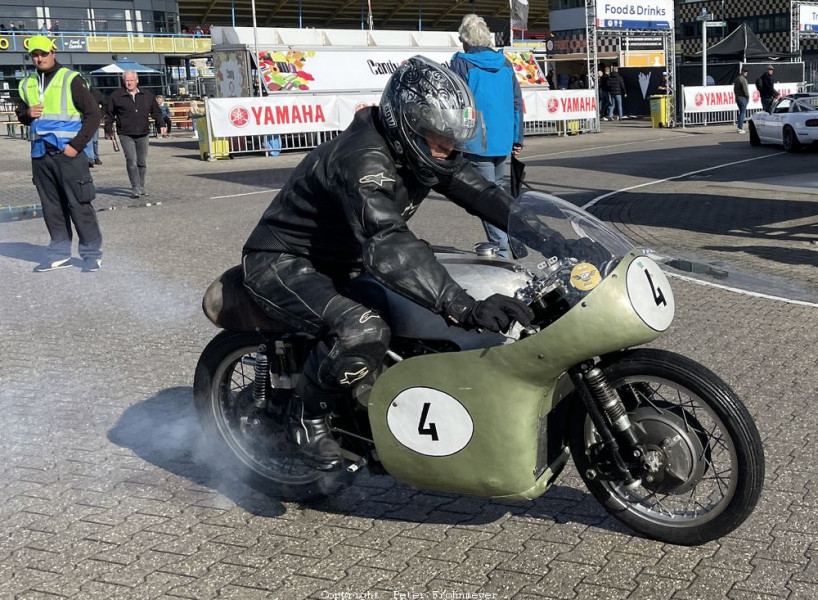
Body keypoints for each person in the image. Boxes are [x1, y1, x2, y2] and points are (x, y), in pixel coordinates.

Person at [241, 56, 608, 471]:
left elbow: (486, 196)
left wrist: (555, 241)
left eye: (453, 140)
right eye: (439, 139)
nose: (448, 149)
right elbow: (387, 243)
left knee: (475, 272)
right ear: (405, 124)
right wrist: (463, 307)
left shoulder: (424, 150)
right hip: (287, 262)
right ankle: (305, 420)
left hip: (347, 259)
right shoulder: (362, 160)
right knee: (364, 329)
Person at [15, 35, 103, 273]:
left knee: (79, 205)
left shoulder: (71, 79)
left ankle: (92, 254)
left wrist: (76, 146)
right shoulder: (27, 83)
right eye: (35, 54)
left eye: (43, 53)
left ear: (53, 52)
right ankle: (59, 253)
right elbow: (21, 113)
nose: (39, 58)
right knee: (51, 207)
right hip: (40, 154)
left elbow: (94, 115)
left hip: (68, 154)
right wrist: (27, 113)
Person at [450, 13, 523, 259]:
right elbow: (516, 103)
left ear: (466, 40)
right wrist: (517, 138)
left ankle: (501, 249)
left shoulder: (461, 63)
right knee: (498, 191)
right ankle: (507, 236)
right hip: (502, 141)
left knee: (484, 196)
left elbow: (456, 102)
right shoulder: (504, 63)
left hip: (476, 140)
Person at [104, 71, 166, 198]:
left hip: (143, 132)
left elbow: (156, 112)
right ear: (123, 81)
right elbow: (109, 114)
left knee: (142, 162)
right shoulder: (116, 96)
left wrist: (161, 124)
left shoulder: (146, 95)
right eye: (127, 80)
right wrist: (108, 128)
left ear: (137, 81)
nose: (129, 82)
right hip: (126, 133)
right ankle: (135, 187)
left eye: (131, 80)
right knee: (131, 160)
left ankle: (141, 186)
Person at [734, 67, 750, 134]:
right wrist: (747, 97)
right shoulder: (743, 79)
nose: (746, 73)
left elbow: (734, 89)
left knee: (741, 113)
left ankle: (739, 127)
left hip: (738, 97)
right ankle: (740, 128)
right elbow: (745, 90)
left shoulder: (737, 78)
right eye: (745, 71)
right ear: (742, 71)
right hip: (742, 98)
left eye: (746, 72)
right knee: (742, 113)